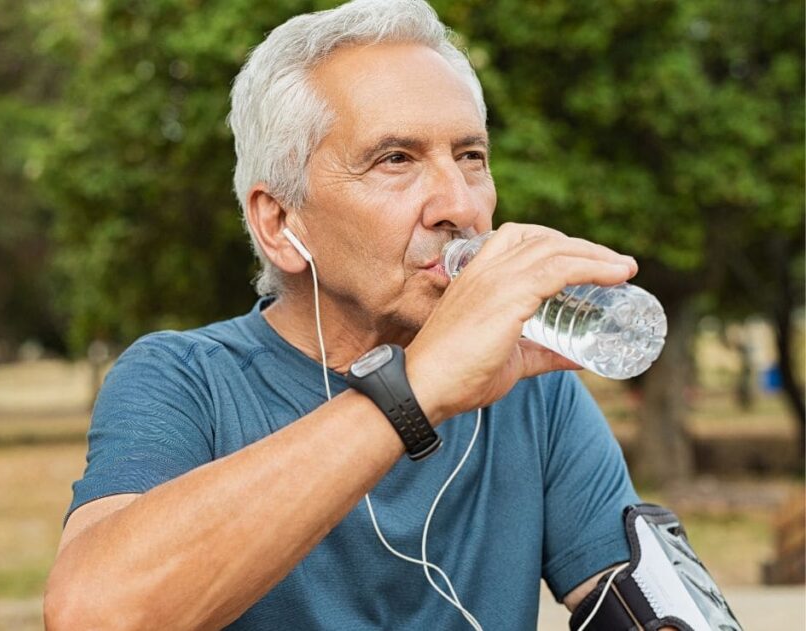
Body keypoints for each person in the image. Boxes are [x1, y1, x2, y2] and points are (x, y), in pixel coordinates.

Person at [44, 1, 736, 629]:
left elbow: (661, 607)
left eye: (471, 157)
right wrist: (418, 389)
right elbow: (94, 615)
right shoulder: (184, 380)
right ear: (281, 223)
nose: (459, 204)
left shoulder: (534, 393)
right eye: (396, 159)